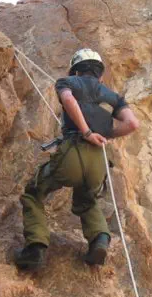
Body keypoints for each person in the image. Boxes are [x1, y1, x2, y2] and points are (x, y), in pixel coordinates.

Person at [15, 48, 140, 270]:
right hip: (99, 160)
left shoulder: (67, 82)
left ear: (76, 70)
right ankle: (99, 240)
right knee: (87, 199)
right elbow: (132, 124)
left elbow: (68, 99)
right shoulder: (114, 97)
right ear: (100, 74)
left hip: (73, 151)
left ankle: (35, 248)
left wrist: (87, 132)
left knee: (33, 193)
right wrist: (105, 135)